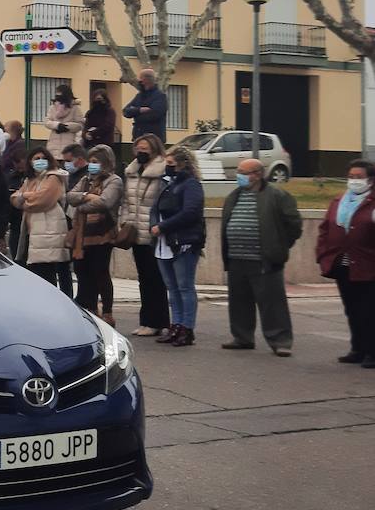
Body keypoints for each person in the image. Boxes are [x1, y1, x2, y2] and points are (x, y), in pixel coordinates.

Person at [221, 158, 303, 356]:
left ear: (257, 174)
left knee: (272, 303)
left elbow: (294, 225)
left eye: (243, 172)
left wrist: (279, 246)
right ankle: (242, 337)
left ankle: (280, 341)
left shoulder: (277, 195)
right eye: (239, 172)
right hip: (236, 258)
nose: (239, 176)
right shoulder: (234, 196)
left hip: (264, 260)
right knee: (239, 301)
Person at [316, 160, 375, 367]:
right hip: (343, 264)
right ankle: (357, 348)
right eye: (351, 177)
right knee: (352, 308)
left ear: (370, 180)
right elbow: (325, 229)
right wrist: (322, 254)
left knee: (369, 310)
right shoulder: (339, 201)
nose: (354, 181)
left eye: (359, 177)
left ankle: (372, 351)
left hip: (368, 266)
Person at [151, 146, 207, 347]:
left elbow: (190, 212)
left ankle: (187, 328)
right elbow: (155, 208)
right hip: (164, 242)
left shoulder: (191, 184)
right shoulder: (167, 183)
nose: (167, 167)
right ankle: (176, 324)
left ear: (183, 164)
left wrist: (163, 226)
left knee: (185, 286)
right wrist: (154, 225)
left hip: (183, 241)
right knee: (172, 287)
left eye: (171, 164)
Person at [67, 145, 123, 324]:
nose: (91, 165)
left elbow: (105, 202)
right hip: (82, 234)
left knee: (100, 272)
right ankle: (88, 306)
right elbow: (70, 196)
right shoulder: (86, 180)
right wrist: (87, 196)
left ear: (105, 163)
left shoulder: (114, 181)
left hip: (102, 235)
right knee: (82, 271)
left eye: (95, 162)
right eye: (90, 161)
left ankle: (107, 311)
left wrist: (82, 206)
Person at [123, 134, 169, 336]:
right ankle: (146, 320)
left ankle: (158, 321)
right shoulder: (132, 171)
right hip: (135, 233)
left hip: (153, 233)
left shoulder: (161, 172)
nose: (141, 152)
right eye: (138, 148)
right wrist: (125, 222)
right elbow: (126, 201)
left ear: (155, 150)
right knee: (143, 279)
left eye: (145, 148)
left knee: (155, 278)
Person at [11, 147, 70, 286]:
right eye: (36, 159)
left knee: (47, 272)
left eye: (43, 158)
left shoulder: (53, 177)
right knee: (36, 273)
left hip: (49, 231)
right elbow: (14, 198)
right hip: (33, 231)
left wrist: (25, 199)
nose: (40, 161)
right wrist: (26, 196)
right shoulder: (30, 180)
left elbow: (43, 200)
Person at [122, 68, 168, 141]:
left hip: (154, 138)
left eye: (140, 79)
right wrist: (139, 110)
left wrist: (135, 115)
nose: (139, 81)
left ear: (146, 80)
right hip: (138, 136)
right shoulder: (139, 96)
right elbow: (125, 111)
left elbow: (154, 115)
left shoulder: (160, 96)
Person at [43, 84, 84, 152]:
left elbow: (80, 124)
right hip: (53, 144)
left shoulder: (75, 108)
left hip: (69, 144)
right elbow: (47, 122)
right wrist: (57, 125)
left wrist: (66, 127)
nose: (58, 96)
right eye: (57, 94)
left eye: (60, 94)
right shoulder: (52, 107)